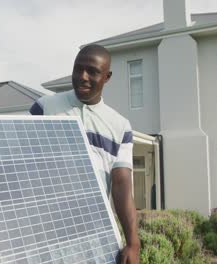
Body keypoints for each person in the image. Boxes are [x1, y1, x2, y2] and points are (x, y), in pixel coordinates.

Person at [30, 44, 140, 263]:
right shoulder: (44, 108)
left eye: (92, 71)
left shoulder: (119, 126)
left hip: (94, 237)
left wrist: (133, 242)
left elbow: (121, 185)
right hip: (44, 234)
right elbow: (23, 166)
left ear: (107, 77)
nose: (83, 77)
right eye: (78, 69)